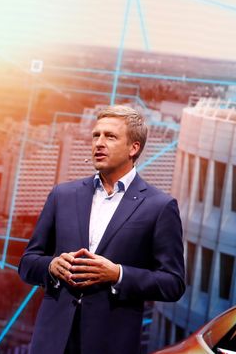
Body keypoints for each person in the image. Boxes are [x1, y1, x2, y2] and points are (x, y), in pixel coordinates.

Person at [18, 105, 186, 354]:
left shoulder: (159, 207)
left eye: (110, 136)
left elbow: (173, 283)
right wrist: (51, 267)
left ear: (134, 148)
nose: (99, 143)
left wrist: (118, 274)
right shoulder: (62, 195)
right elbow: (27, 263)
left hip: (110, 343)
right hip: (51, 341)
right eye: (96, 135)